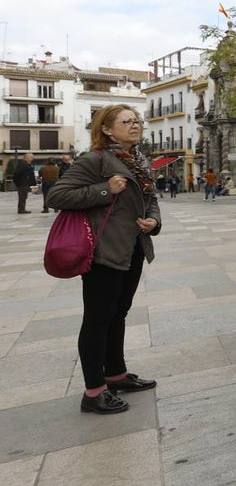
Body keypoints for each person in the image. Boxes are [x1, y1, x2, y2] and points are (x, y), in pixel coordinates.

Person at [47, 104, 162, 414]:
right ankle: (94, 391)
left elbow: (150, 199)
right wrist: (104, 190)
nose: (135, 125)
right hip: (104, 252)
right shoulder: (94, 160)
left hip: (133, 249)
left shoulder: (138, 161)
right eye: (126, 121)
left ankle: (115, 373)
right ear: (107, 129)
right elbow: (56, 195)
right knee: (98, 319)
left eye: (136, 120)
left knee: (118, 313)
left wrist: (153, 221)